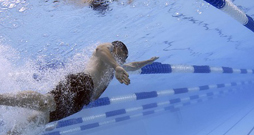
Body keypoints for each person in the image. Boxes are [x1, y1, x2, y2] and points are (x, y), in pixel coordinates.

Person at [0, 41, 159, 134]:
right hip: (82, 83)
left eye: (124, 58)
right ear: (116, 48)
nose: (124, 58)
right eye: (123, 54)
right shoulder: (109, 50)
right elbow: (100, 49)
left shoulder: (115, 67)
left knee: (37, 121)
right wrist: (117, 65)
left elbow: (132, 66)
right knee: (45, 102)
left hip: (80, 102)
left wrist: (148, 61)